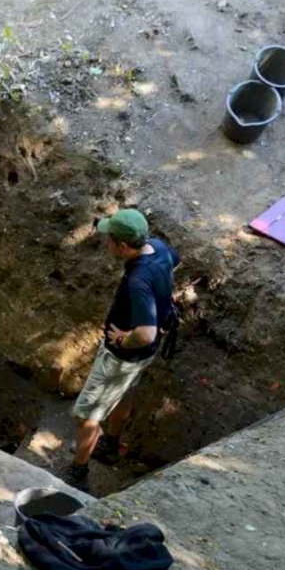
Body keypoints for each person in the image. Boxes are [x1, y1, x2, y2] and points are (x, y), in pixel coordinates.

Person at [64, 209, 180, 493]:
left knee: (85, 416)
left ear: (124, 246)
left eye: (110, 239)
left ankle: (78, 471)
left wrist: (121, 340)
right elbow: (175, 263)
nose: (106, 243)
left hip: (123, 357)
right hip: (144, 357)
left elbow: (145, 333)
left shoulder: (138, 280)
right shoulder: (160, 248)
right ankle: (111, 444)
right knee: (125, 393)